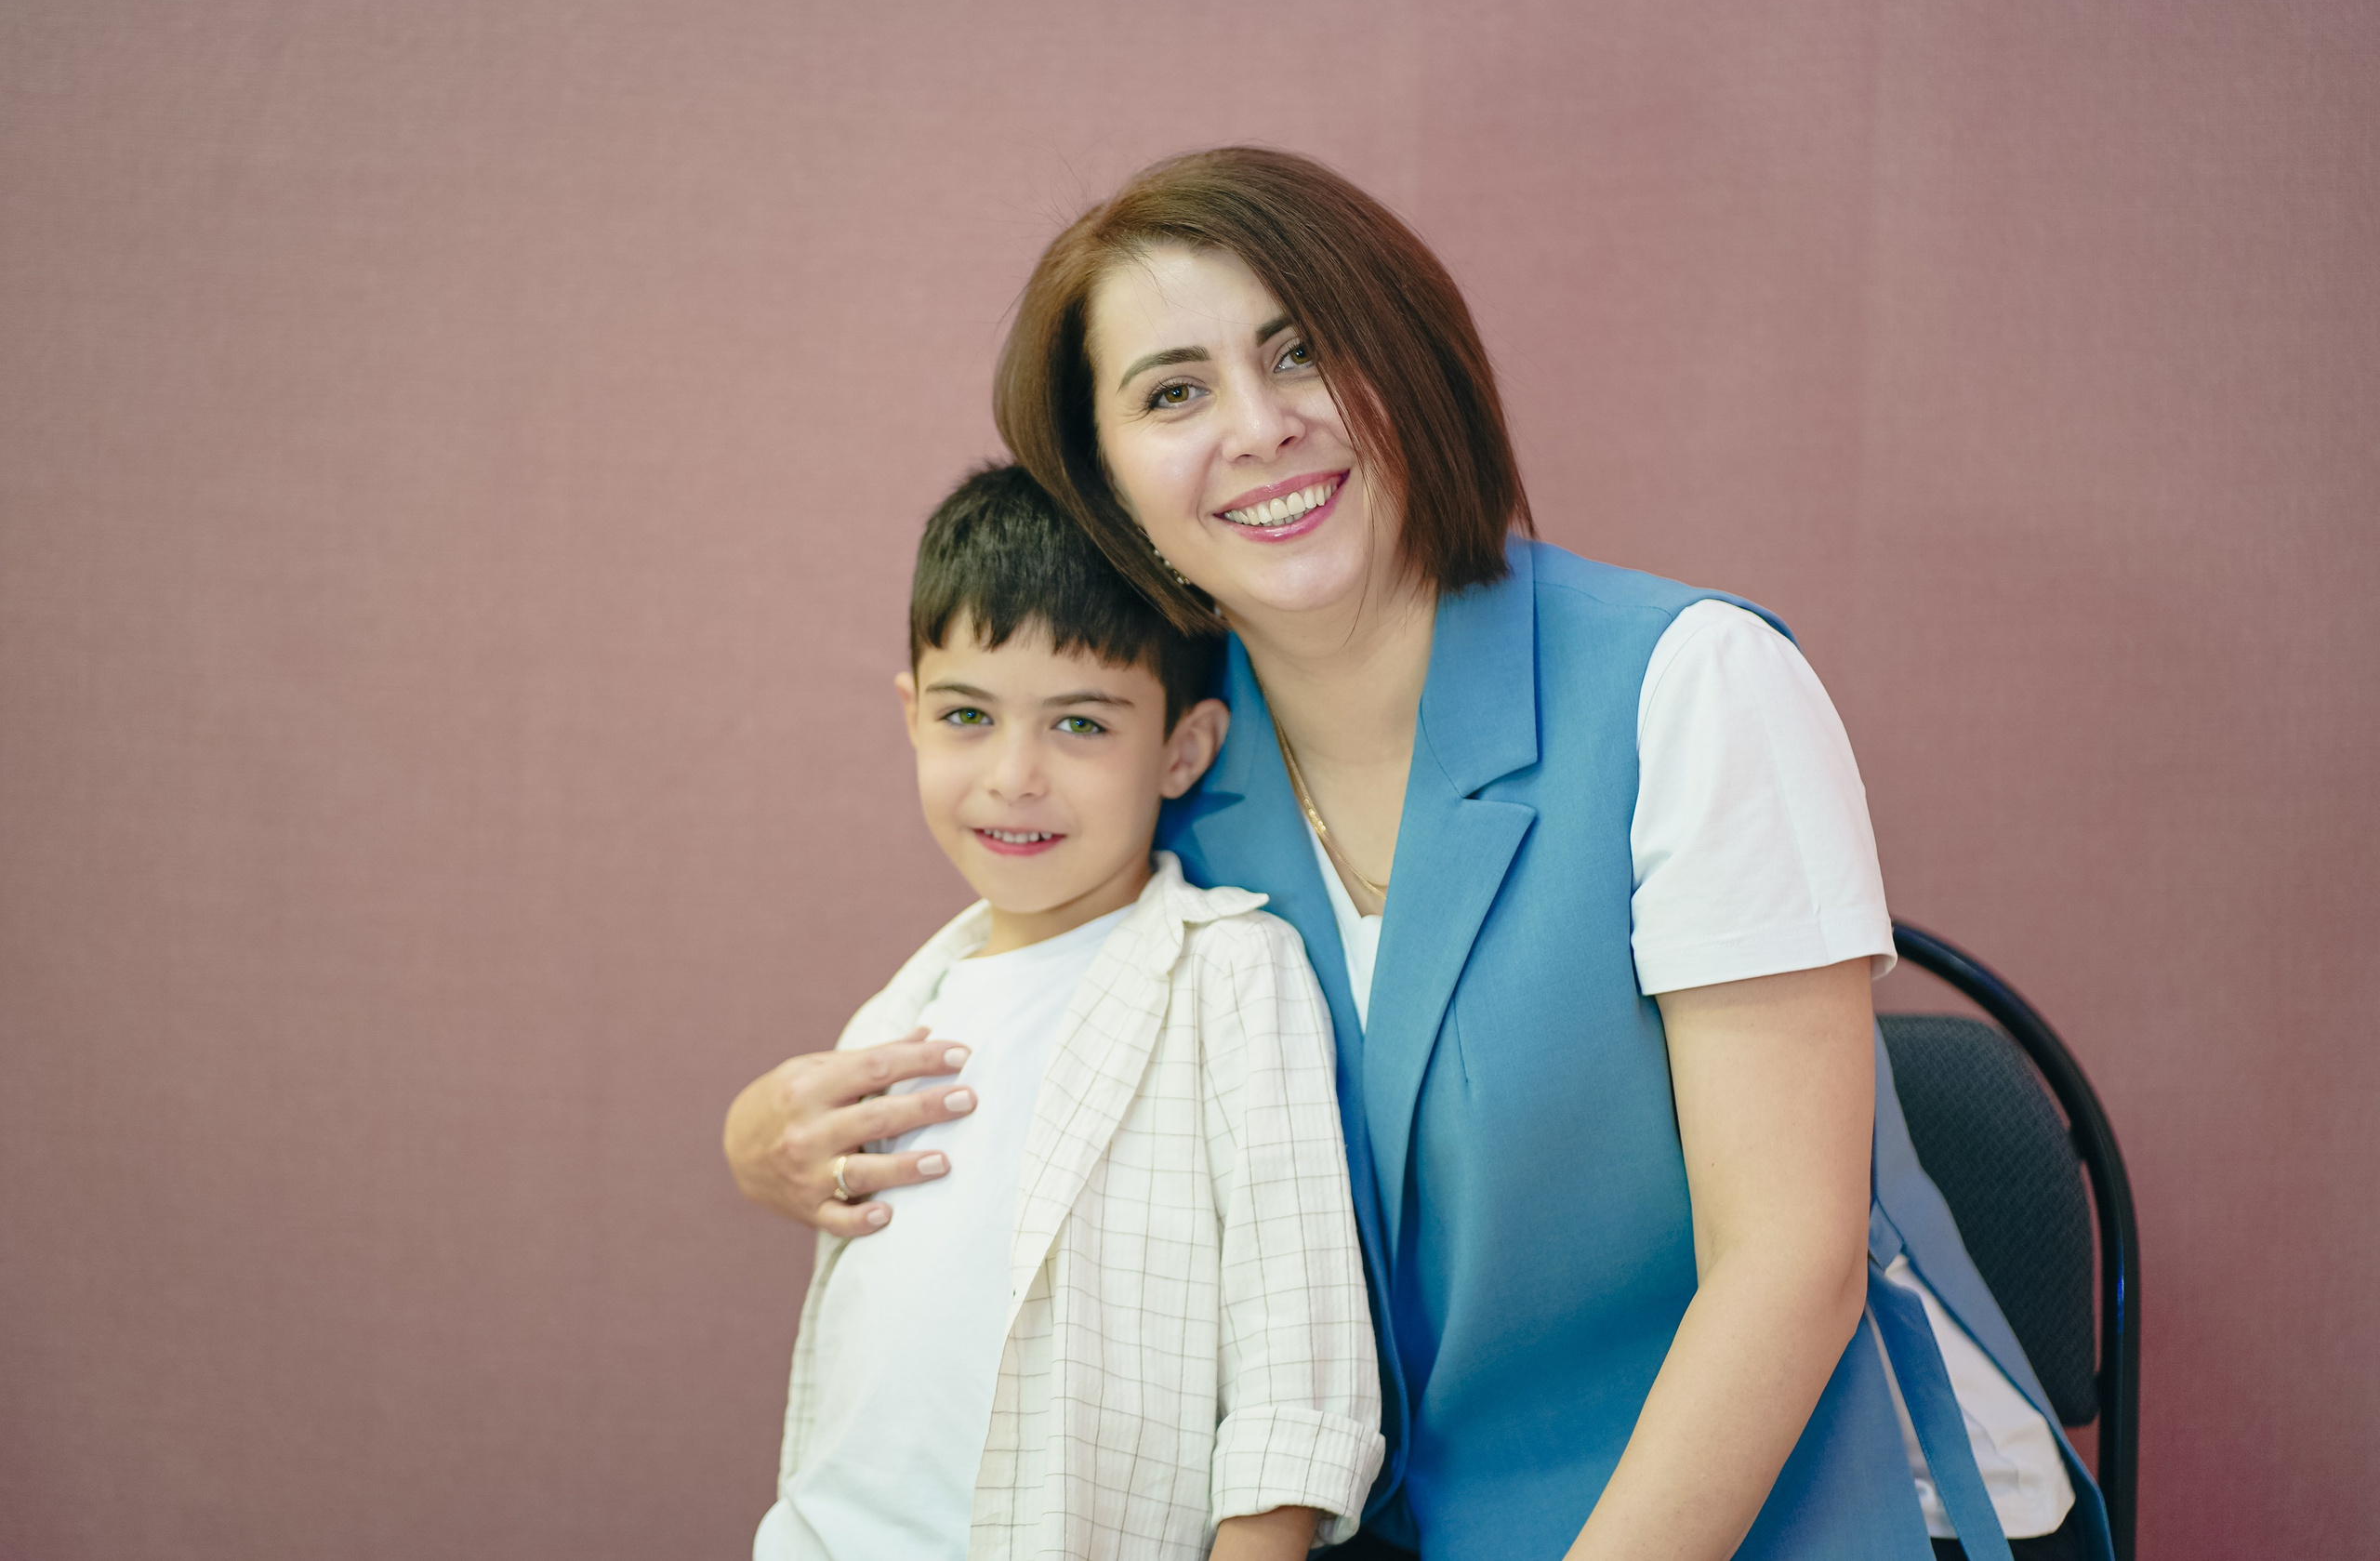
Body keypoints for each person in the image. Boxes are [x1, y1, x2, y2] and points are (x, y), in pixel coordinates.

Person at [727, 150, 2109, 1561]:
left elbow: (1787, 1271)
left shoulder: (1692, 686)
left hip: (1813, 1498)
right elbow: (1031, 1065)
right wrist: (770, 1136)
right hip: (1423, 1520)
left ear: (1412, 366)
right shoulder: (1161, 762)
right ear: (1106, 483)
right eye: (1173, 393)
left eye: (1302, 353)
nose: (1258, 427)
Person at [750, 464, 1382, 1561]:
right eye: (966, 715)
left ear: (1183, 749)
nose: (1013, 776)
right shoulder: (899, 1012)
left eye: (1080, 724)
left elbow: (1297, 1363)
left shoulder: (1228, 974)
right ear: (911, 715)